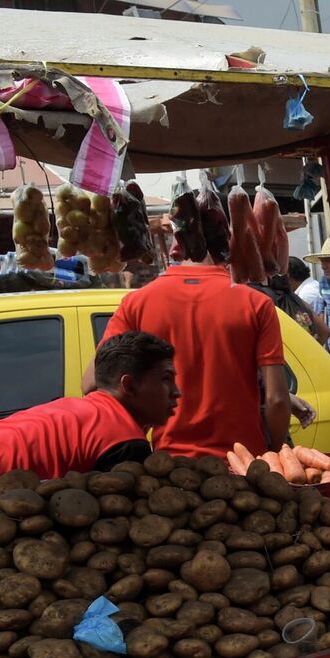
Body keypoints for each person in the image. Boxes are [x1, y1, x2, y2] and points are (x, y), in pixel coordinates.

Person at [0, 332, 180, 551]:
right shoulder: (121, 438)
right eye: (166, 380)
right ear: (128, 385)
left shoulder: (84, 410)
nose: (176, 392)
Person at [98, 193, 292, 459]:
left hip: (171, 465)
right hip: (245, 462)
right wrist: (276, 451)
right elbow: (277, 401)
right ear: (228, 239)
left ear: (177, 244)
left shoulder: (136, 302)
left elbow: (94, 384)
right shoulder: (256, 303)